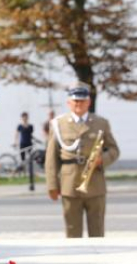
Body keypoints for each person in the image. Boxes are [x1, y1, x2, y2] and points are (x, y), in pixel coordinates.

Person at [45, 82, 120, 238]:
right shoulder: (59, 124)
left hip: (95, 183)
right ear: (69, 102)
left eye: (82, 101)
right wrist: (52, 185)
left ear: (89, 102)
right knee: (72, 231)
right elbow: (51, 157)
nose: (79, 104)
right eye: (75, 101)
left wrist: (102, 159)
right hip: (69, 184)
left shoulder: (101, 123)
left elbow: (114, 150)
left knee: (97, 230)